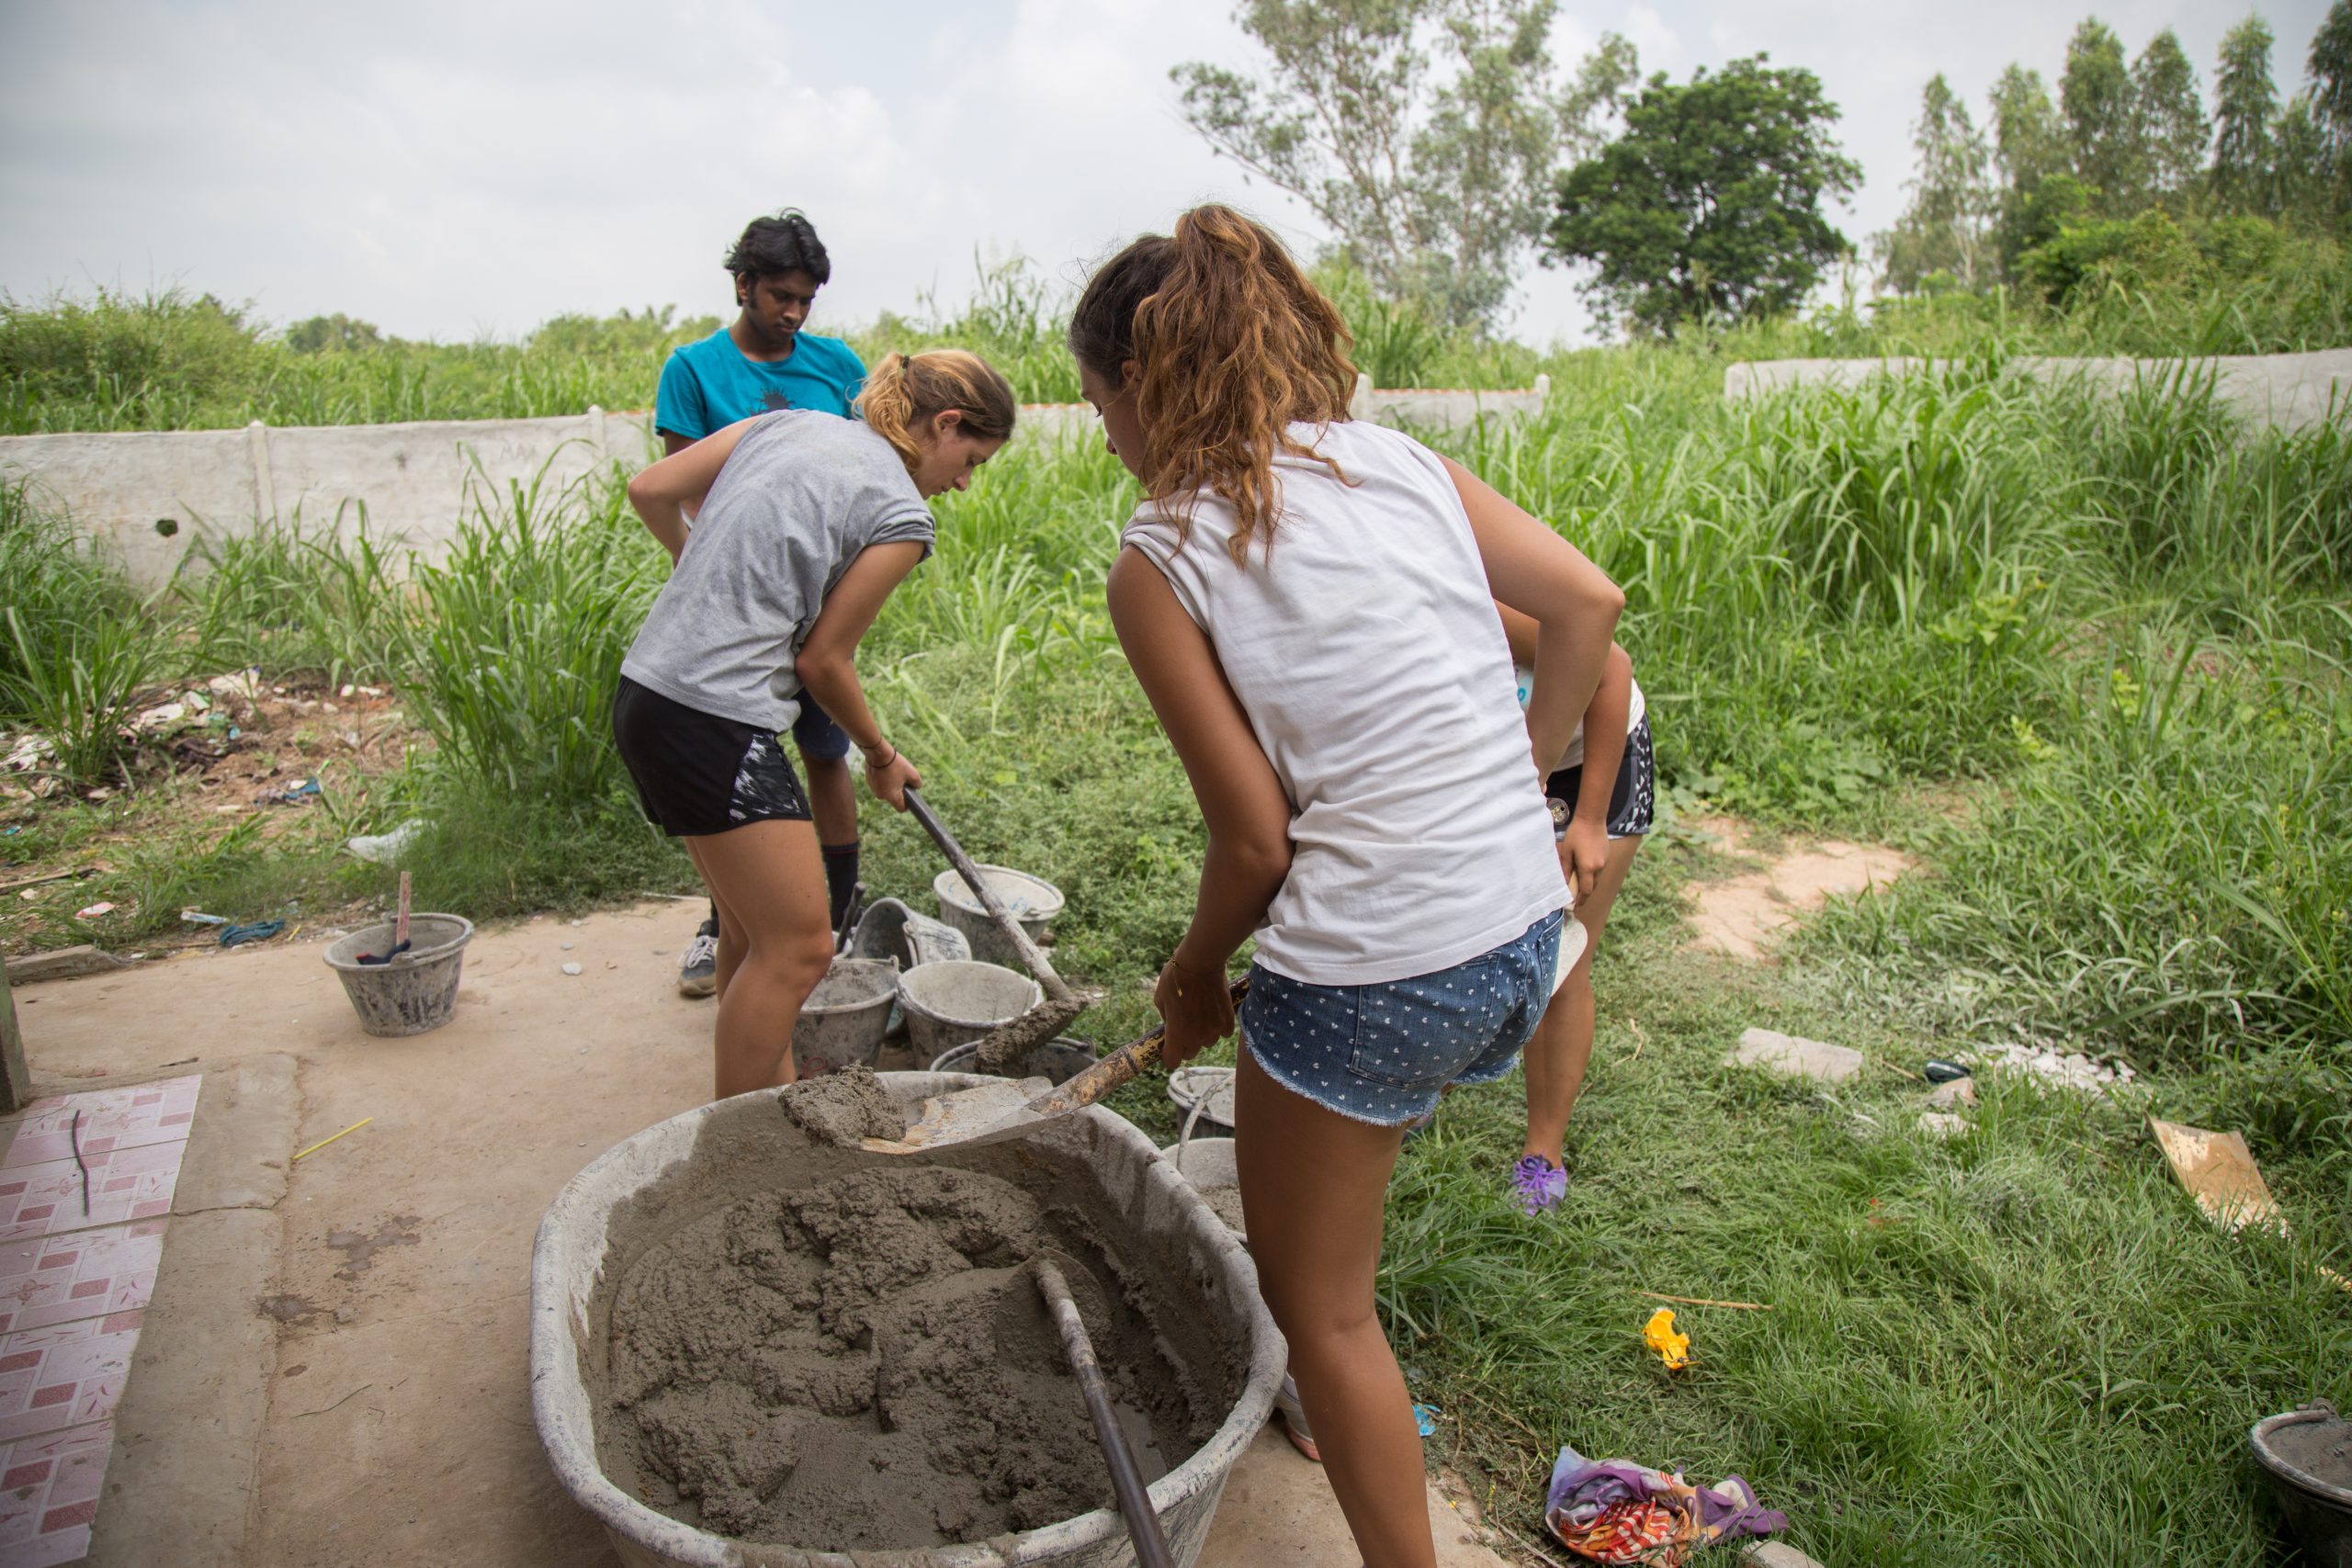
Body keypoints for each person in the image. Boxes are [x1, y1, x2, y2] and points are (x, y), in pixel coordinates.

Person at [1071, 206, 1623, 1568]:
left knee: (1322, 1311)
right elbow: (1589, 607)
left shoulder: (1159, 555)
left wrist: (1193, 975)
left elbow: (1255, 845)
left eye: (1096, 401)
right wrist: (1520, 767)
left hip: (1384, 972)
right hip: (1524, 935)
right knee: (1341, 1222)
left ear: (1141, 380)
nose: (1102, 433)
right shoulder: (1395, 461)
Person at [614, 350, 1015, 1100]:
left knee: (751, 937)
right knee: (799, 949)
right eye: (972, 460)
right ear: (946, 423)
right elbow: (823, 661)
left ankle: (773, 1107)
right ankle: (737, 1147)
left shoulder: (786, 424)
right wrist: (880, 754)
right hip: (713, 717)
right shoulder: (902, 513)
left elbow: (649, 489)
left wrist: (694, 560)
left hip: (648, 694)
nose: (965, 482)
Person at [654, 209, 871, 998]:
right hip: (738, 610)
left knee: (825, 749)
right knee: (736, 768)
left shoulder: (837, 366)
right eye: (781, 295)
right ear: (743, 283)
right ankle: (728, 923)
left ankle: (840, 912)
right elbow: (685, 493)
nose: (794, 312)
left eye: (806, 299)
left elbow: (863, 471)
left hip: (817, 598)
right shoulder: (694, 370)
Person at [1501, 615, 1652, 1211]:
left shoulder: (1485, 588)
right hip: (1510, 768)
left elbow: (1611, 667)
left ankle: (1543, 1152)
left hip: (1592, 763)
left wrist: (1588, 818)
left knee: (1561, 959)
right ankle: (1418, 1095)